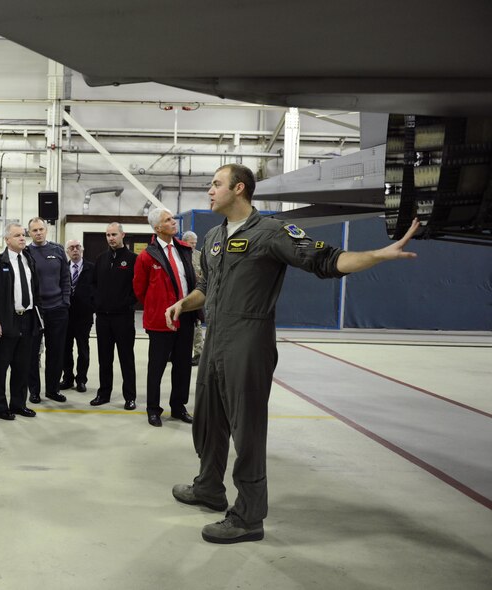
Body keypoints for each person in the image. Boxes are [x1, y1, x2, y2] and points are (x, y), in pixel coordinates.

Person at [166, 163, 421, 544]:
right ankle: (208, 487)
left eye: (216, 184)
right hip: (215, 338)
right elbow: (207, 289)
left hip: (248, 342)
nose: (209, 191)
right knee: (208, 420)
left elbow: (326, 259)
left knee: (246, 431)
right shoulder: (214, 237)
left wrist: (377, 255)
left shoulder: (272, 232)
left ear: (239, 189)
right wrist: (183, 304)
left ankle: (248, 517)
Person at [133, 208, 197, 427]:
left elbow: (190, 279)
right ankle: (153, 409)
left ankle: (178, 407)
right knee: (157, 367)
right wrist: (158, 306)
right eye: (168, 220)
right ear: (157, 227)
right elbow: (139, 290)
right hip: (160, 321)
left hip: (186, 317)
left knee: (183, 366)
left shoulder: (184, 250)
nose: (173, 222)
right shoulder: (146, 255)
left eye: (172, 219)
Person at [0, 223, 42, 420]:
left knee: (22, 366)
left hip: (27, 319)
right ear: (7, 240)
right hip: (7, 320)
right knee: (1, 367)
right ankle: (0, 407)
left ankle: (18, 404)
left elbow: (34, 290)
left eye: (23, 235)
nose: (22, 238)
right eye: (17, 235)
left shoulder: (28, 260)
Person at [90, 223, 138, 410]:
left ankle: (130, 396)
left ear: (122, 235)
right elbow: (93, 284)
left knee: (126, 358)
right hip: (103, 318)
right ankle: (104, 394)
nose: (111, 238)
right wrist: (97, 303)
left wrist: (126, 303)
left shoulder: (133, 260)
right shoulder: (101, 259)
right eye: (108, 235)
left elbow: (138, 288)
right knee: (104, 358)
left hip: (123, 318)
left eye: (114, 234)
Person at [25, 217, 70, 404]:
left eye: (41, 229)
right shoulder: (26, 252)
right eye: (34, 230)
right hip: (35, 311)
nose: (38, 233)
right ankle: (34, 391)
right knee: (32, 352)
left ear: (46, 230)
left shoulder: (58, 250)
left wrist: (65, 301)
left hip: (58, 309)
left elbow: (66, 278)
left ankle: (53, 389)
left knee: (56, 351)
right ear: (29, 233)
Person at [60, 239, 94, 393]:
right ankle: (67, 378)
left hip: (84, 317)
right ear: (67, 251)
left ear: (82, 249)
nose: (75, 250)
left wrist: (92, 307)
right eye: (71, 248)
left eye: (77, 247)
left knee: (83, 349)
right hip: (66, 317)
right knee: (66, 349)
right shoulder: (62, 269)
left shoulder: (92, 269)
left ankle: (81, 379)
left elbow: (97, 290)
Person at [181, 231, 205, 366]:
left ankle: (198, 353)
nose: (194, 245)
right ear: (184, 241)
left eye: (195, 243)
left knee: (197, 325)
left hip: (195, 295)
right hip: (180, 296)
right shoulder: (178, 254)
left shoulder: (199, 256)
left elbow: (203, 275)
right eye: (191, 243)